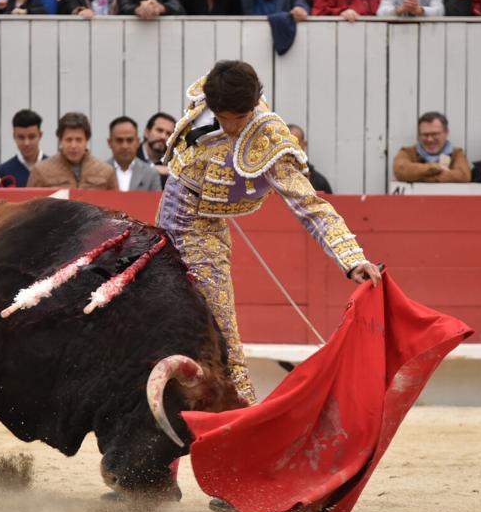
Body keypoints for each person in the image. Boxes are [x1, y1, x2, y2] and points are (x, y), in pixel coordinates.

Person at [157, 60, 382, 407]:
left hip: (202, 231)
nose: (230, 126)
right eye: (223, 117)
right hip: (169, 209)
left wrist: (352, 259)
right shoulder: (206, 96)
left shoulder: (269, 140)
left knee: (221, 333)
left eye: (239, 117)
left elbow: (311, 206)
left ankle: (239, 412)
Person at [27, 112, 118, 189]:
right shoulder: (41, 171)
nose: (73, 146)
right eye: (69, 140)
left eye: (79, 140)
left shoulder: (106, 172)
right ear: (60, 140)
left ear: (87, 140)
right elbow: (29, 207)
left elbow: (117, 207)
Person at [393, 111, 471, 183]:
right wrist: (436, 168)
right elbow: (400, 170)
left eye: (435, 134)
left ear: (446, 133)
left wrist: (418, 177)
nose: (429, 139)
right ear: (419, 135)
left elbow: (464, 175)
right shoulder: (407, 152)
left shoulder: (456, 154)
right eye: (425, 135)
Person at [0, 109, 47, 187]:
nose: (26, 143)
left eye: (31, 137)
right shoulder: (3, 171)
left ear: (40, 135)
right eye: (21, 137)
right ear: (14, 136)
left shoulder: (53, 169)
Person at [106, 116, 163, 191]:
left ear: (138, 142)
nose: (125, 146)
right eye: (119, 140)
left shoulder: (151, 174)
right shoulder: (99, 173)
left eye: (130, 140)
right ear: (109, 142)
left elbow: (157, 202)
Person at [288, 124, 333, 193]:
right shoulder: (268, 179)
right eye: (285, 145)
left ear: (304, 145)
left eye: (295, 143)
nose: (290, 149)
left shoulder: (319, 182)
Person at [138, 112, 176, 187]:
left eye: (168, 134)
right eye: (159, 130)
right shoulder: (131, 155)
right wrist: (152, 169)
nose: (163, 137)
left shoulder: (175, 164)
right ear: (147, 132)